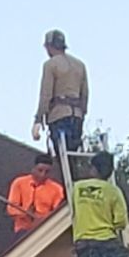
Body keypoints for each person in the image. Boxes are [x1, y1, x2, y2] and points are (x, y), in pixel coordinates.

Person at [33, 29, 89, 160]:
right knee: (72, 157)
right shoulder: (80, 65)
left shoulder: (50, 65)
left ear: (49, 46)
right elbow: (85, 94)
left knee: (60, 157)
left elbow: (46, 94)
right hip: (77, 117)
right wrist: (82, 114)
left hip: (59, 116)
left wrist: (38, 120)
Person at [5, 150, 65, 233]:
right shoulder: (19, 182)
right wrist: (25, 213)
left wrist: (43, 218)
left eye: (47, 172)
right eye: (40, 170)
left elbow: (59, 212)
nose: (43, 175)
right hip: (22, 230)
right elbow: (11, 208)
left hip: (46, 230)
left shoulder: (57, 189)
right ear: (33, 168)